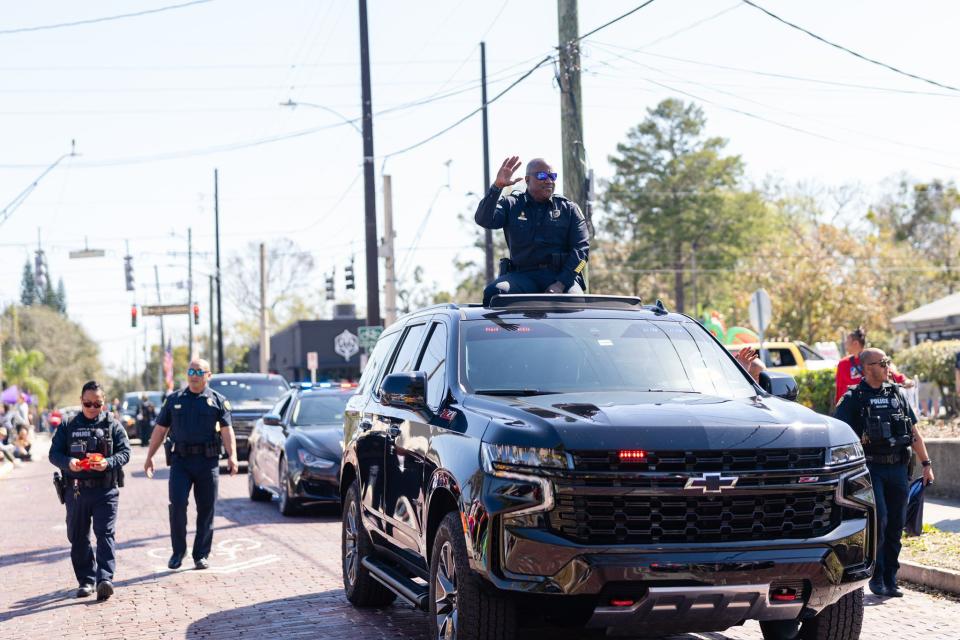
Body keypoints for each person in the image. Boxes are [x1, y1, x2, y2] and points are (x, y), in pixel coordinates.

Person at [834, 348, 934, 599]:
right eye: (883, 363)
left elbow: (914, 433)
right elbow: (841, 434)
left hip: (899, 468)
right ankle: (876, 578)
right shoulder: (853, 398)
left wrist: (926, 464)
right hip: (872, 469)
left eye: (887, 362)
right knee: (881, 522)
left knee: (896, 525)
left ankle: (891, 577)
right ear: (868, 368)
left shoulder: (896, 393)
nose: (888, 366)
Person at [144, 359, 237, 570]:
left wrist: (232, 456)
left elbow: (226, 430)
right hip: (181, 463)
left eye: (199, 371)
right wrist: (150, 456)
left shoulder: (217, 401)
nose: (194, 375)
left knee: (206, 509)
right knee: (177, 505)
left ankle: (201, 554)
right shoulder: (174, 399)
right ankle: (178, 551)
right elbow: (160, 430)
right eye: (191, 371)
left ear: (208, 375)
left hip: (208, 462)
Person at [48, 380, 130, 601]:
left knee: (105, 534)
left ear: (104, 403)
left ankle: (104, 579)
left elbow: (125, 452)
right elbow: (54, 454)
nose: (93, 408)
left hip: (105, 490)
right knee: (78, 537)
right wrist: (68, 463)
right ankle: (86, 580)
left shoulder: (112, 424)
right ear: (81, 401)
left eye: (98, 404)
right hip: (76, 491)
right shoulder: (68, 425)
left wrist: (109, 462)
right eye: (88, 403)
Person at [475, 156, 590, 306]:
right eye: (542, 176)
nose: (549, 180)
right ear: (527, 180)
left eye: (552, 176)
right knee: (495, 293)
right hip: (522, 276)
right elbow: (484, 219)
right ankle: (510, 331)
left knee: (574, 302)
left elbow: (582, 254)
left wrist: (561, 284)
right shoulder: (512, 204)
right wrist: (497, 187)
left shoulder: (569, 209)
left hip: (562, 277)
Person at [834, 327, 906, 404]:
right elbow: (840, 388)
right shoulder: (843, 363)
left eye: (847, 342)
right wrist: (840, 405)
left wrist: (904, 380)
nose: (845, 344)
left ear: (855, 343)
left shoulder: (872, 359)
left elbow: (888, 372)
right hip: (853, 404)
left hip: (874, 401)